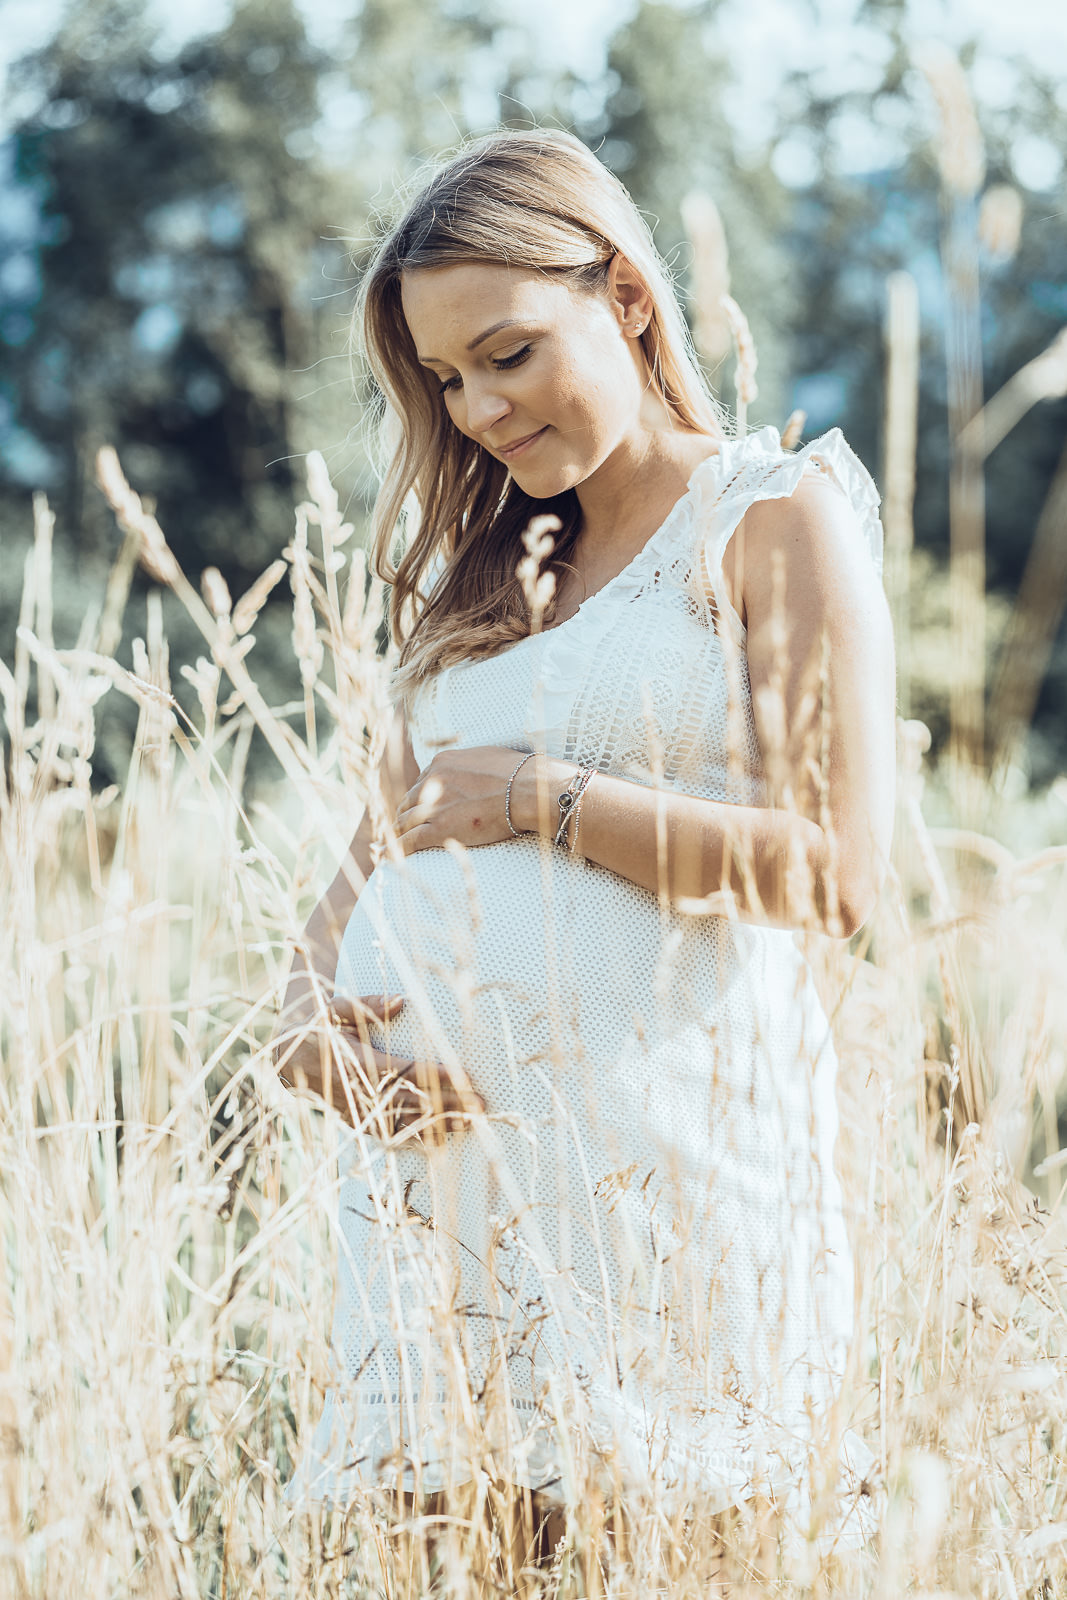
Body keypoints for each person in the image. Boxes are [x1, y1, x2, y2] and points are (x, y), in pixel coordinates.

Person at [274, 126, 896, 1587]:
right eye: (444, 380)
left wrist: (548, 802)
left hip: (666, 1213)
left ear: (622, 291)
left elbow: (837, 875)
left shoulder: (767, 516)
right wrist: (307, 1020)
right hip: (442, 1225)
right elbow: (373, 855)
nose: (479, 407)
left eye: (508, 353)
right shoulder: (477, 576)